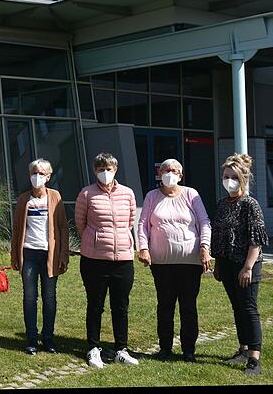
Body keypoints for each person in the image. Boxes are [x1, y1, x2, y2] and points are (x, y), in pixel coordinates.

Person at [137, 159, 212, 363]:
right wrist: (143, 248)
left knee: (188, 306)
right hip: (161, 263)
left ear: (181, 175)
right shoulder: (152, 196)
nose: (170, 173)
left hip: (190, 261)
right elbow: (143, 224)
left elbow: (204, 222)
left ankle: (189, 350)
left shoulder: (191, 194)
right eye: (166, 170)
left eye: (174, 170)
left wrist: (205, 248)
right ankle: (165, 348)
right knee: (165, 305)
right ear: (159, 173)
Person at [75, 152, 139, 368]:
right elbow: (81, 223)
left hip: (123, 259)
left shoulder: (128, 194)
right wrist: (96, 241)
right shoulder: (86, 194)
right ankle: (93, 348)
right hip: (94, 259)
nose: (105, 173)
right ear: (95, 171)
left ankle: (121, 348)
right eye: (101, 169)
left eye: (109, 169)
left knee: (121, 306)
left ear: (116, 170)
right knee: (95, 305)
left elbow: (130, 220)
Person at [211, 153, 268, 376]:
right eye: (225, 176)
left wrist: (248, 267)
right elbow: (219, 235)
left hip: (246, 264)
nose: (228, 181)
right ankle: (243, 348)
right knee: (237, 307)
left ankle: (254, 357)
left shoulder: (249, 204)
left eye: (233, 177)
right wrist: (217, 264)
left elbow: (257, 240)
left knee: (248, 308)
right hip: (226, 264)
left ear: (243, 179)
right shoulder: (222, 204)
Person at [11, 158, 69, 355]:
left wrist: (63, 255)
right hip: (29, 253)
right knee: (29, 297)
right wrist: (14, 256)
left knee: (49, 297)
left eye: (41, 173)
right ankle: (31, 338)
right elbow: (17, 229)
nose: (37, 177)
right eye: (34, 173)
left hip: (49, 254)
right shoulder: (23, 199)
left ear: (49, 176)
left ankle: (48, 338)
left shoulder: (55, 197)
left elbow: (62, 227)